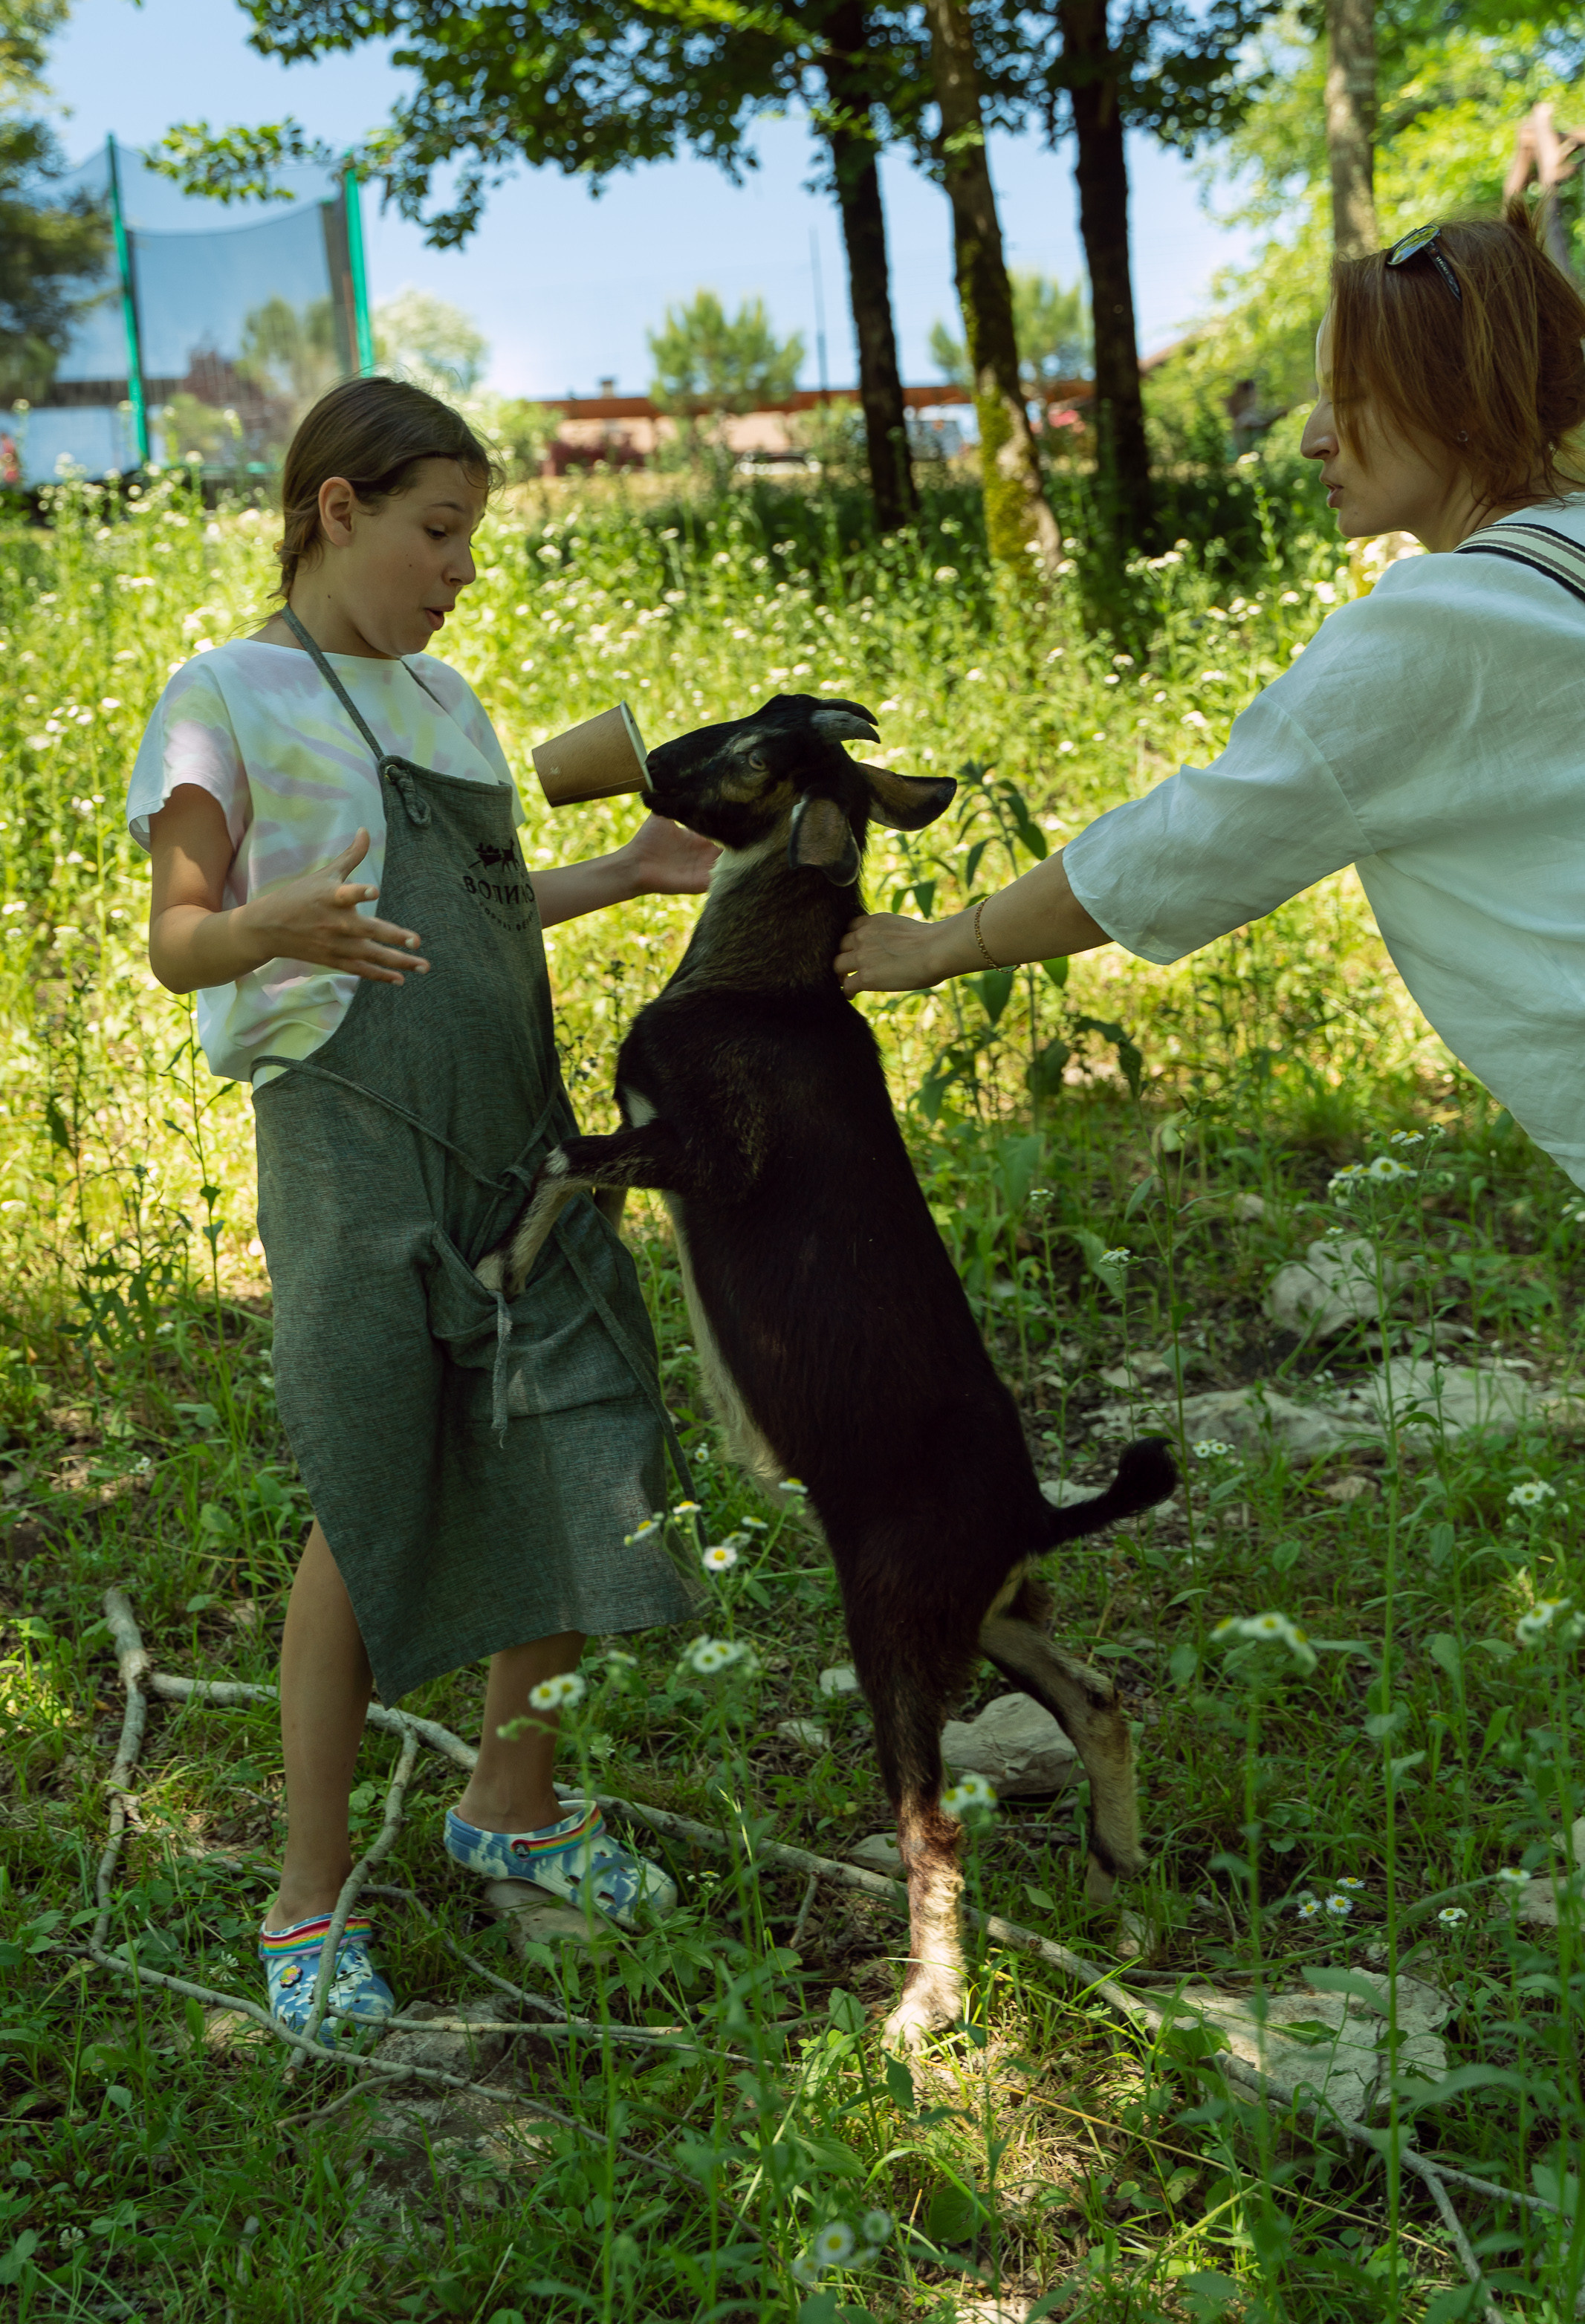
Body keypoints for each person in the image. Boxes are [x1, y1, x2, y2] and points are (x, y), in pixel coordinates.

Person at [128, 377, 717, 2042]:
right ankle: (307, 1893)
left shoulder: (450, 702)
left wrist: (625, 871)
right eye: (437, 532)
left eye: (471, 538)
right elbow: (177, 936)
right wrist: (268, 929)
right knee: (371, 1488)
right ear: (338, 509)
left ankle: (510, 1803)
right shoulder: (224, 696)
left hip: (514, 1131)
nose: (461, 571)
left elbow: (482, 908)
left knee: (578, 1435)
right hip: (351, 1143)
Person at [835, 204, 1585, 1194]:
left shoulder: (1439, 625)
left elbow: (1185, 843)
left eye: (1347, 395)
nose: (1311, 437)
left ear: (1455, 398)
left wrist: (941, 943)